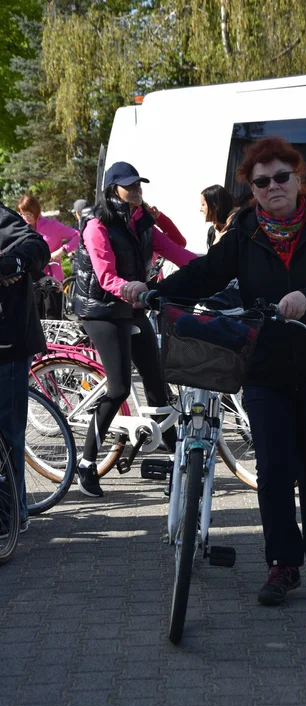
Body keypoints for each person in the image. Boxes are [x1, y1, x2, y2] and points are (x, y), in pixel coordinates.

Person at [121, 136, 306, 605]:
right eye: (262, 181)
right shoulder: (246, 231)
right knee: (273, 469)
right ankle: (282, 565)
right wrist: (154, 290)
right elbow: (207, 272)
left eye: (281, 177)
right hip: (266, 367)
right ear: (251, 189)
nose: (273, 186)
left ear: (298, 178)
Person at [74, 161, 197, 498]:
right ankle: (86, 466)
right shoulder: (97, 224)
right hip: (102, 310)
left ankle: (174, 457)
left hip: (133, 305)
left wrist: (216, 269)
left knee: (158, 381)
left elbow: (176, 249)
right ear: (115, 189)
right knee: (119, 389)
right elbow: (105, 275)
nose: (138, 189)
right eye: (131, 185)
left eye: (139, 183)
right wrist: (133, 289)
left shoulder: (141, 223)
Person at [0, 201, 50, 533]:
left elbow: (37, 246)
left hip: (9, 345)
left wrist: (13, 263)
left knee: (8, 434)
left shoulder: (3, 219)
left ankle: (12, 515)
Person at [17, 194, 80, 319]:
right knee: (33, 317)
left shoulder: (52, 225)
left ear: (36, 211)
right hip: (30, 277)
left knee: (53, 315)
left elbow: (77, 235)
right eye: (23, 214)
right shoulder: (21, 228)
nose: (26, 218)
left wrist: (62, 251)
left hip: (52, 276)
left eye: (29, 214)